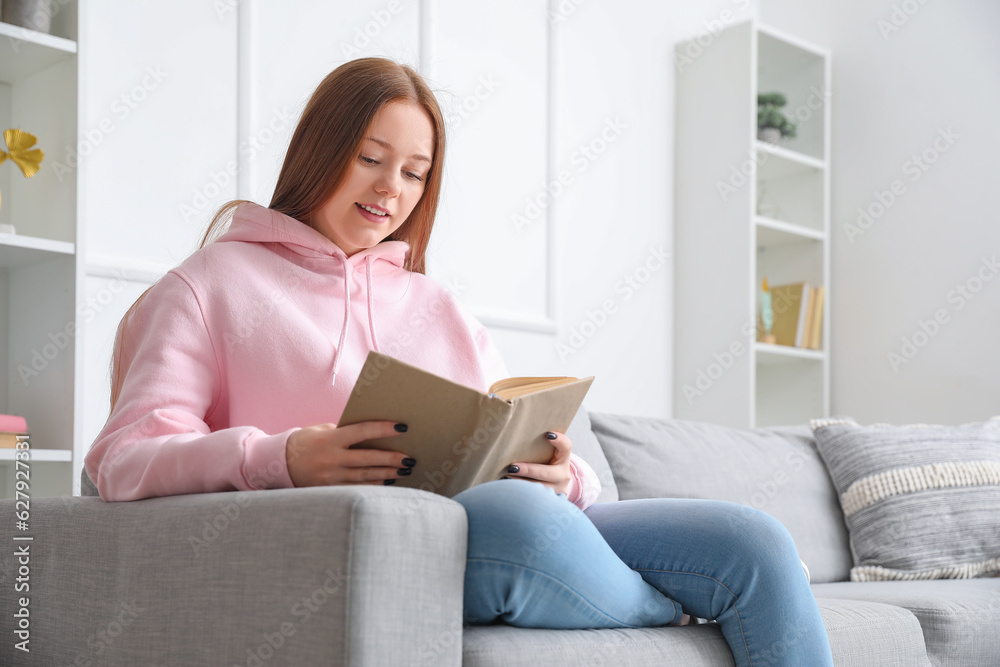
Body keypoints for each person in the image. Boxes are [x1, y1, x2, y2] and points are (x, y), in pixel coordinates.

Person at [85, 56, 834, 667]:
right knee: (514, 523)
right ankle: (668, 605)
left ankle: (677, 586)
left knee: (755, 541)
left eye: (414, 172)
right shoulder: (208, 284)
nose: (391, 189)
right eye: (371, 158)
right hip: (377, 546)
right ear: (319, 150)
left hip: (516, 518)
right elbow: (123, 457)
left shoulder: (437, 305)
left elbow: (527, 458)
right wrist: (284, 456)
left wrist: (560, 469)